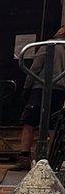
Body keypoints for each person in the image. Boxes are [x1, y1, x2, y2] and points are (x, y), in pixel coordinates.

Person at [16, 27, 65, 170]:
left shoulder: (48, 45)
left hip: (41, 87)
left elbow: (35, 67)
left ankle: (24, 157)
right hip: (60, 90)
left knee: (29, 122)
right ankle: (51, 159)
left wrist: (26, 88)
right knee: (53, 125)